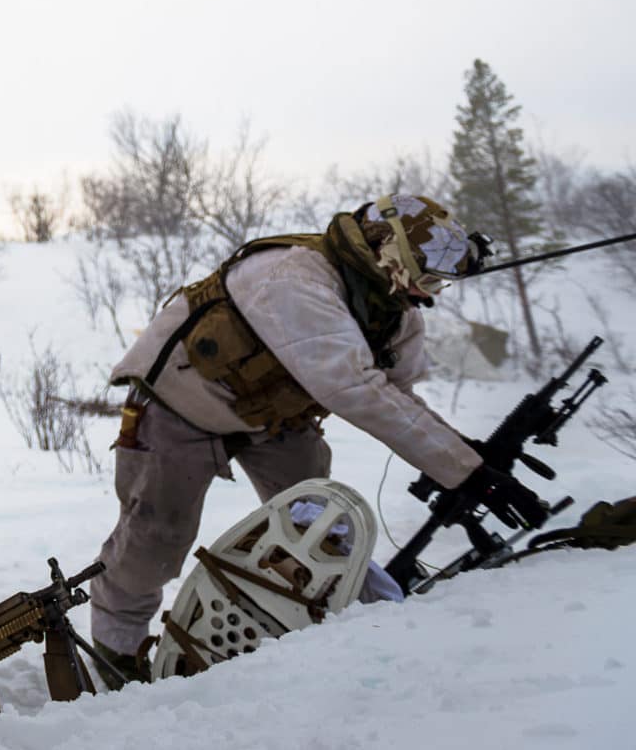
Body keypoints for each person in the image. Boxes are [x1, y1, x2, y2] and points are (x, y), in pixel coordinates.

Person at [85, 192, 525, 683]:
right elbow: (357, 388)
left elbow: (398, 396)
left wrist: (469, 460)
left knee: (319, 527)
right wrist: (463, 471)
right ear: (390, 248)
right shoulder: (293, 277)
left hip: (272, 420)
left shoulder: (394, 312)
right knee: (154, 539)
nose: (433, 290)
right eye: (430, 272)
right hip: (179, 404)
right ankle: (115, 651)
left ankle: (353, 624)